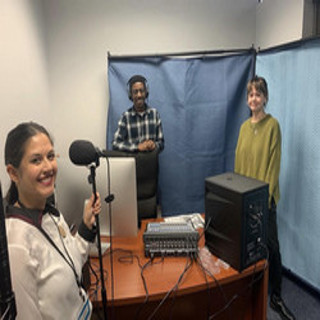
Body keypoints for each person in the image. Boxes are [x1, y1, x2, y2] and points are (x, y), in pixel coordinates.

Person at [4, 122, 101, 320]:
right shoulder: (16, 244)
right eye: (36, 160)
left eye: (50, 156)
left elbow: (70, 264)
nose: (48, 167)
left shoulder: (50, 213)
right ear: (14, 173)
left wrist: (85, 225)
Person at [234, 76, 295, 320]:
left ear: (265, 98)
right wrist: (239, 196)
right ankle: (253, 294)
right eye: (250, 94)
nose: (253, 99)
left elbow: (273, 165)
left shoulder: (273, 126)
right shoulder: (243, 128)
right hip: (246, 200)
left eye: (258, 94)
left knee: (272, 246)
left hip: (265, 201)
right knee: (250, 249)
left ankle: (277, 297)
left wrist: (263, 200)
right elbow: (239, 164)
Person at [112, 74, 164, 153]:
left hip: (152, 163)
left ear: (146, 93)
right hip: (132, 164)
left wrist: (154, 145)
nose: (139, 95)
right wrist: (137, 147)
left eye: (141, 91)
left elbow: (161, 143)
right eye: (135, 92)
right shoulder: (125, 117)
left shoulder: (154, 114)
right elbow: (115, 144)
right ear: (131, 95)